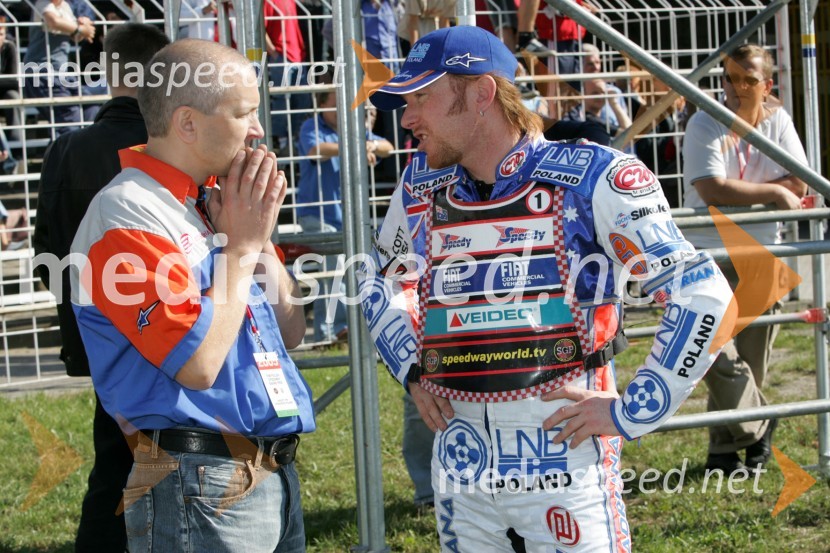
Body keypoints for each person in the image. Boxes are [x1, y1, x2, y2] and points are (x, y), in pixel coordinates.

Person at [361, 26, 732, 550]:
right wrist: (413, 373)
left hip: (564, 458)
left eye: (422, 97)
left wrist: (632, 411)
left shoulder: (595, 178)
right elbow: (383, 284)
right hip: (460, 463)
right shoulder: (421, 185)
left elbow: (702, 294)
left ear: (483, 94)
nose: (407, 117)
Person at [68, 39, 315, 551]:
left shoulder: (213, 203)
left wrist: (257, 235)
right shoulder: (127, 213)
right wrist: (243, 247)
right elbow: (198, 364)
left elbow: (292, 332)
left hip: (268, 470)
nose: (256, 129)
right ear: (187, 123)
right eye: (244, 112)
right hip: (196, 479)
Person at [32, 23, 169, 552]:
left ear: (108, 71)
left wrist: (84, 310)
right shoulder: (176, 146)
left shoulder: (65, 151)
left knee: (115, 462)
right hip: (167, 337)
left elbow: (46, 258)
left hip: (99, 340)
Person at [682, 43, 807, 474]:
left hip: (762, 253)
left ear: (766, 85)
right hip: (709, 252)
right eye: (729, 78)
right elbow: (712, 188)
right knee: (712, 352)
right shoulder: (704, 120)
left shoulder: (780, 121)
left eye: (747, 79)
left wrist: (782, 186)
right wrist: (773, 190)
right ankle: (759, 425)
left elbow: (801, 180)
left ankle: (725, 452)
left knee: (750, 363)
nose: (736, 88)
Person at [296, 76, 392, 341]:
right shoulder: (311, 126)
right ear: (322, 105)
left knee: (351, 268)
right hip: (317, 213)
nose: (341, 108)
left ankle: (341, 330)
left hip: (348, 215)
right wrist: (356, 148)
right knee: (334, 271)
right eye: (335, 103)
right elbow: (316, 150)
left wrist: (368, 144)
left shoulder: (353, 130)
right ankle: (327, 334)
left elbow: (388, 146)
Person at [22, 0, 95, 137]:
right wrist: (79, 29)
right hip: (41, 71)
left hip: (61, 72)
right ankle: (68, 154)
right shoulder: (43, 3)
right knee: (68, 119)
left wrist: (83, 24)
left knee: (90, 106)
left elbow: (77, 37)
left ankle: (67, 151)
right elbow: (53, 21)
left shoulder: (65, 7)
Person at [0, 18, 22, 142]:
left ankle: (16, 144)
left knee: (13, 96)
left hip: (4, 91)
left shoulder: (9, 47)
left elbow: (13, 80)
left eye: (1, 34)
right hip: (3, 86)